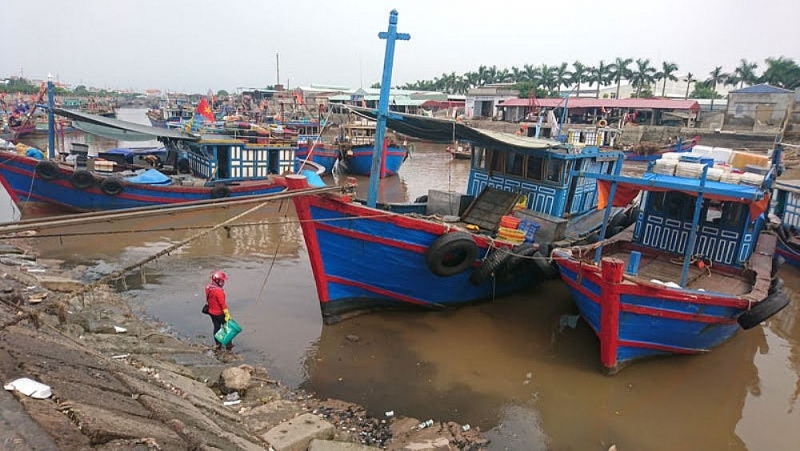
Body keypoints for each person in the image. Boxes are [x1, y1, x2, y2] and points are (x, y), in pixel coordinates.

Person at [206, 270, 233, 351]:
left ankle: (218, 344)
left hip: (211, 312)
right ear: (217, 281)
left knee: (216, 327)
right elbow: (223, 304)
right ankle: (228, 345)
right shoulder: (219, 291)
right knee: (228, 328)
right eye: (222, 280)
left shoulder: (208, 287)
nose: (223, 282)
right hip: (219, 313)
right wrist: (227, 314)